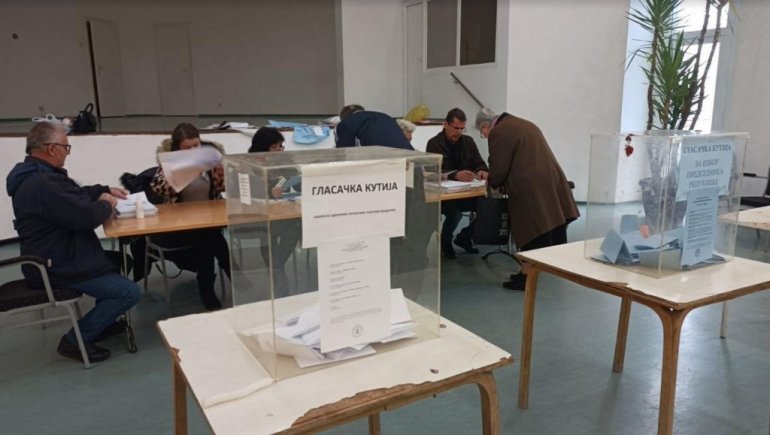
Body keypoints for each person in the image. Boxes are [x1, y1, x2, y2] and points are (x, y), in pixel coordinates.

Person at [6, 122, 141, 363]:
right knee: (128, 293)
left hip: (60, 253)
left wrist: (103, 190)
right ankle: (74, 341)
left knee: (121, 261)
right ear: (51, 148)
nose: (67, 153)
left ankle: (102, 322)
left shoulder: (39, 175)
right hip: (55, 264)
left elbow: (72, 198)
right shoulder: (42, 183)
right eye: (65, 147)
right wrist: (106, 203)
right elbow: (84, 217)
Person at [475, 107, 579, 290]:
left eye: (482, 133)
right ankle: (529, 273)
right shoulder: (522, 124)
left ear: (485, 126)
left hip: (530, 188)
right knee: (544, 225)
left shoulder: (499, 131)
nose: (484, 136)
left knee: (531, 230)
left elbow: (499, 167)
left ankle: (526, 278)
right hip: (549, 181)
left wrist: (490, 179)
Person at [149, 123, 231, 310]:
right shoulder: (169, 165)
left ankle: (211, 290)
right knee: (213, 241)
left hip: (208, 222)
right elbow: (158, 188)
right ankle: (232, 280)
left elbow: (222, 188)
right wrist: (183, 171)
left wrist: (221, 171)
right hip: (180, 227)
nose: (194, 151)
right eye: (188, 148)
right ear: (178, 148)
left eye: (196, 145)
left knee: (211, 239)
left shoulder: (208, 163)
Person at [426, 108, 489, 259]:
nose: (459, 132)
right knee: (455, 213)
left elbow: (479, 162)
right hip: (446, 196)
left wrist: (481, 170)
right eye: (456, 128)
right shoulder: (434, 144)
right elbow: (431, 171)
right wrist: (455, 174)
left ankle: (465, 237)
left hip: (467, 192)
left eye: (462, 129)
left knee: (488, 208)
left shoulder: (468, 142)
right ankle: (445, 241)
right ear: (445, 125)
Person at [247, 127, 301, 295]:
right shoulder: (250, 165)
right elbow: (247, 190)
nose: (279, 150)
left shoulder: (285, 161)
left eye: (280, 146)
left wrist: (295, 184)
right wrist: (269, 193)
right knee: (268, 234)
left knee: (293, 229)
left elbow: (297, 182)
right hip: (261, 215)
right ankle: (280, 279)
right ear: (262, 148)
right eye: (274, 147)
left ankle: (277, 272)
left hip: (285, 213)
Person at [335, 104, 413, 149]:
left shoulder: (346, 123)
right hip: (409, 155)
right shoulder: (385, 117)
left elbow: (344, 152)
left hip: (384, 159)